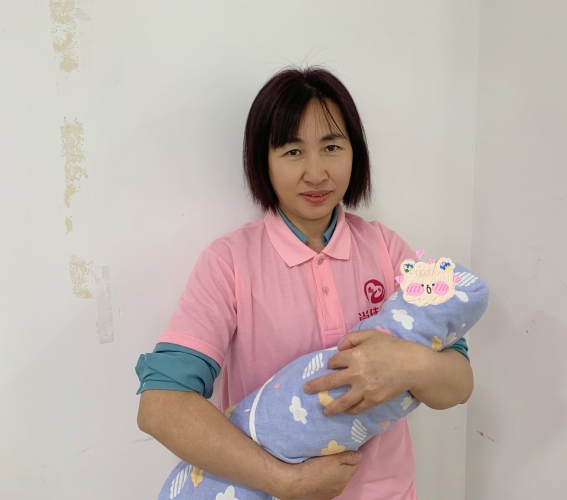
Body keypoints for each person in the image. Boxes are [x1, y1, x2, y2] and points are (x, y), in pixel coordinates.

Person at [136, 66, 477, 500]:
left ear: (355, 152)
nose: (316, 173)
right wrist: (285, 481)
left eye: (331, 147)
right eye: (293, 151)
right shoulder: (229, 263)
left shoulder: (388, 249)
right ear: (263, 161)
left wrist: (410, 365)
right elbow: (160, 406)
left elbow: (459, 384)